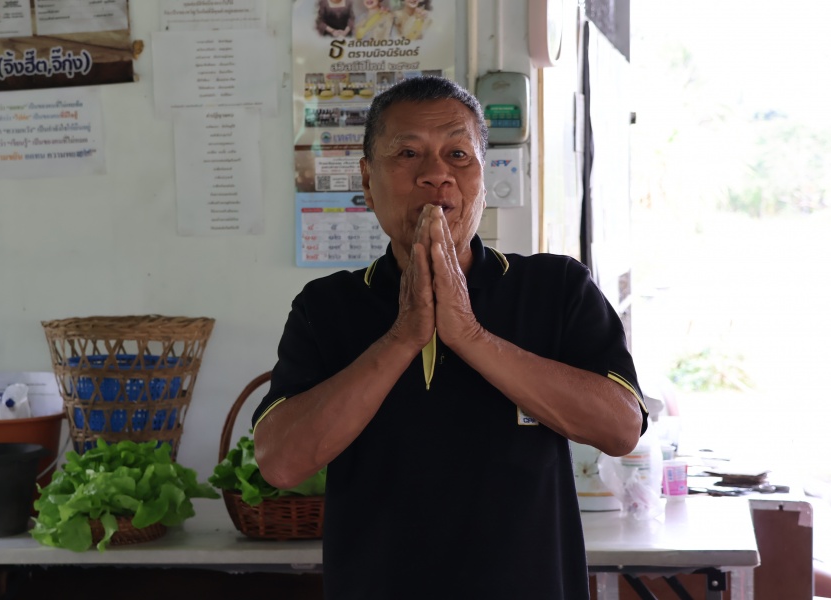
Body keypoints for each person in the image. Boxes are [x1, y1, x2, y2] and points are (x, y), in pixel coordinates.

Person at [253, 75, 647, 599]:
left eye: (458, 154)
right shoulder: (326, 307)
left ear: (484, 176)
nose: (436, 174)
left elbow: (621, 429)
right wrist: (402, 336)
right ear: (367, 180)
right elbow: (281, 462)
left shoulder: (556, 288)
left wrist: (469, 334)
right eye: (408, 154)